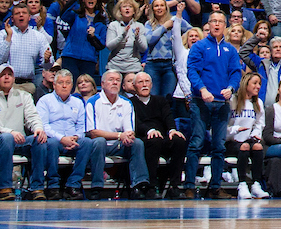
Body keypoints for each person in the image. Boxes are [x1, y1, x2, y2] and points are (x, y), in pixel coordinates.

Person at [184, 11, 244, 200]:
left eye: (220, 21)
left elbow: (236, 72)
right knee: (196, 143)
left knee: (219, 146)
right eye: (214, 21)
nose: (217, 24)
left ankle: (215, 187)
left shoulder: (230, 50)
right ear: (208, 24)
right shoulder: (199, 46)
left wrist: (232, 88)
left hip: (222, 103)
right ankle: (189, 186)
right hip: (201, 102)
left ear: (225, 25)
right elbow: (192, 71)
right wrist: (202, 89)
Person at [36, 69, 105, 200]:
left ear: (72, 85)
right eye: (61, 82)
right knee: (51, 142)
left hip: (73, 141)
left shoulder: (77, 102)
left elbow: (81, 127)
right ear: (54, 85)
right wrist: (62, 139)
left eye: (67, 83)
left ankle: (73, 184)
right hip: (54, 141)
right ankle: (53, 186)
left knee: (87, 142)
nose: (64, 86)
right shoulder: (45, 101)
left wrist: (76, 137)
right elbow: (44, 126)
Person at [84, 69, 151, 199]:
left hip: (119, 145)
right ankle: (96, 187)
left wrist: (127, 136)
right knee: (99, 142)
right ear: (102, 84)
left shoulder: (126, 103)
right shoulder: (93, 102)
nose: (114, 82)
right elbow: (93, 133)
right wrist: (120, 136)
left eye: (117, 80)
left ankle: (139, 185)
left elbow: (129, 131)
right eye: (111, 80)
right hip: (99, 144)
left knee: (137, 143)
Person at [130, 70, 187, 198]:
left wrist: (172, 129)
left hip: (161, 137)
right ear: (134, 86)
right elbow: (134, 122)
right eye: (140, 82)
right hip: (143, 137)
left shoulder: (160, 100)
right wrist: (149, 130)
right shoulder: (130, 103)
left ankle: (174, 185)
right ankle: (151, 186)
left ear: (151, 84)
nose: (144, 85)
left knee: (179, 140)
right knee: (154, 141)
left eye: (147, 82)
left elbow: (168, 116)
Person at [0, 62, 49, 200]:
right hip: (3, 139)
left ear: (14, 78)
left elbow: (32, 116)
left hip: (18, 140)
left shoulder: (24, 96)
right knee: (7, 138)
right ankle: (4, 187)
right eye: (3, 75)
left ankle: (37, 188)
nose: (6, 77)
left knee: (39, 139)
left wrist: (38, 128)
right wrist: (10, 132)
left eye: (9, 75)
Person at [226, 72, 270, 199]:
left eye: (259, 84)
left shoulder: (258, 103)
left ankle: (256, 184)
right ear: (246, 84)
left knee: (258, 147)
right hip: (232, 140)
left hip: (248, 140)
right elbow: (223, 127)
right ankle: (242, 184)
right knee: (244, 146)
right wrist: (236, 129)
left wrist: (255, 134)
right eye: (255, 83)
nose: (258, 86)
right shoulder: (232, 101)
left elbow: (259, 124)